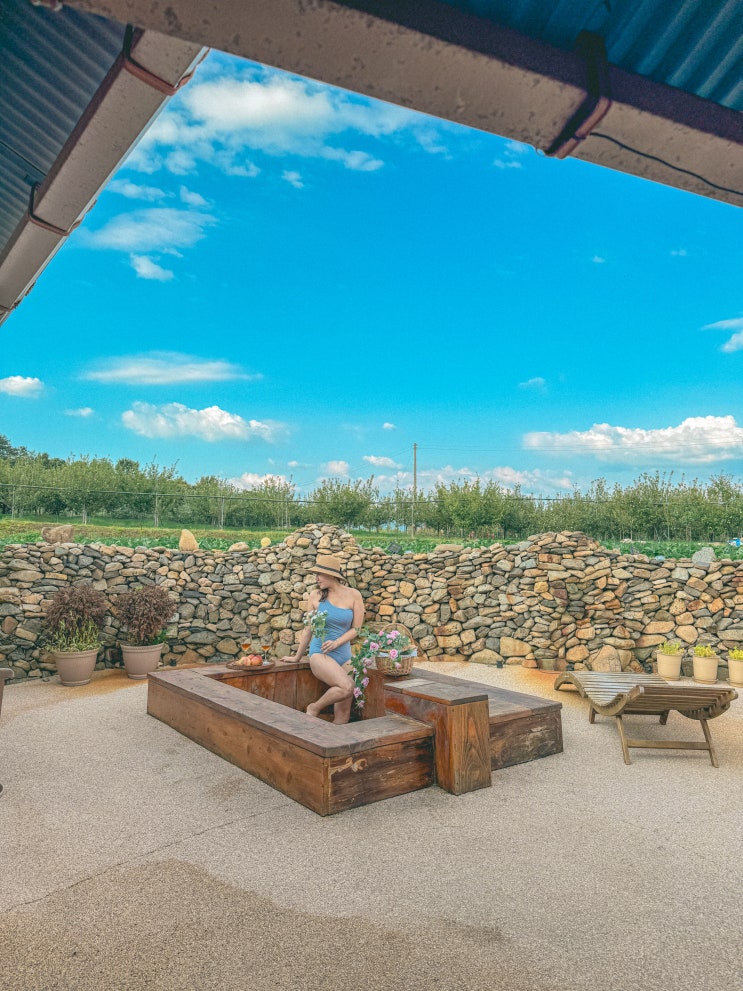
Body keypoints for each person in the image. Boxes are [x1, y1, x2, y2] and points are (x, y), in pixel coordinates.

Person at [285, 554, 364, 724]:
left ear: (332, 575)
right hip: (320, 653)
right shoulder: (315, 596)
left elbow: (357, 629)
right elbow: (308, 628)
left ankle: (335, 741)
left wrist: (337, 642)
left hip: (345, 655)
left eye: (319, 574)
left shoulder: (354, 595)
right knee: (347, 687)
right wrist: (297, 657)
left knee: (343, 714)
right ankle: (314, 707)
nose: (316, 578)